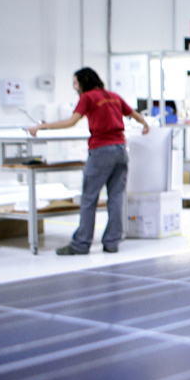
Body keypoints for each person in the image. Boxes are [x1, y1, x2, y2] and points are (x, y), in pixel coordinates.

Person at [27, 67, 150, 255]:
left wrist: (43, 126)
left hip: (101, 151)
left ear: (84, 82)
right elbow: (133, 114)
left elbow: (71, 122)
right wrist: (145, 124)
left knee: (89, 198)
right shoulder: (113, 96)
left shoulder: (88, 97)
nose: (75, 87)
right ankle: (111, 242)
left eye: (76, 83)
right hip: (120, 150)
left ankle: (81, 244)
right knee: (116, 198)